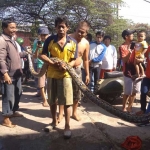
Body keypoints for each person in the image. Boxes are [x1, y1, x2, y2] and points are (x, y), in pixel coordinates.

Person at [39, 16, 79, 138]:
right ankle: (53, 122)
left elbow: (75, 60)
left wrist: (67, 66)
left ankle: (67, 126)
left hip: (66, 75)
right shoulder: (50, 40)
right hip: (51, 74)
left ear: (68, 28)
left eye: (63, 26)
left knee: (67, 102)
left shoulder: (73, 42)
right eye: (59, 26)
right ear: (55, 28)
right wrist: (52, 63)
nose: (61, 29)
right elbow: (43, 55)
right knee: (52, 101)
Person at [58, 21, 90, 122]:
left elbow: (85, 59)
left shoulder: (86, 43)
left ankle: (74, 112)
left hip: (77, 70)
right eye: (79, 31)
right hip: (65, 70)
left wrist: (88, 74)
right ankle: (60, 113)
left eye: (83, 32)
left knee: (77, 92)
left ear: (86, 33)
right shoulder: (67, 38)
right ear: (75, 29)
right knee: (63, 92)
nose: (80, 34)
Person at [0, 17, 27, 128]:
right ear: (4, 28)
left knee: (18, 93)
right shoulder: (2, 40)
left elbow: (14, 55)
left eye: (15, 27)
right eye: (11, 27)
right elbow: (1, 59)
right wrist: (5, 73)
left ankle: (13, 111)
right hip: (8, 74)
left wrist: (25, 53)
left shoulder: (12, 40)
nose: (14, 30)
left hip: (17, 73)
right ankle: (6, 118)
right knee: (8, 96)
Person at [119, 29, 142, 112]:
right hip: (127, 71)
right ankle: (123, 107)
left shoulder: (137, 45)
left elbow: (141, 56)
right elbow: (124, 60)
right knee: (127, 92)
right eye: (131, 34)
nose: (133, 35)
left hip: (136, 71)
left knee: (134, 91)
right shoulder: (122, 47)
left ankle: (130, 107)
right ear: (126, 37)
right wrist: (129, 52)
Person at [32, 26, 49, 107]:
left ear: (48, 35)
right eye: (41, 35)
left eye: (45, 35)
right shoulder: (37, 43)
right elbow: (35, 56)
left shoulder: (51, 41)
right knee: (41, 84)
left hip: (50, 65)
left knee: (50, 83)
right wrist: (37, 49)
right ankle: (44, 100)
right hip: (40, 65)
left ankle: (50, 98)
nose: (43, 37)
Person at [136, 46, 150, 115]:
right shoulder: (149, 48)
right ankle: (143, 110)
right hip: (147, 76)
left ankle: (148, 113)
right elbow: (144, 58)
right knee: (143, 92)